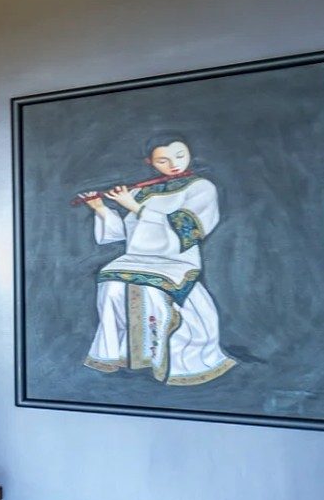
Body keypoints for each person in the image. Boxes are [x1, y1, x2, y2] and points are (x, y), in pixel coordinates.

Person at [81, 134, 235, 385]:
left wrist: (135, 207)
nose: (174, 164)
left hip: (177, 259)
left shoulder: (201, 187)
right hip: (136, 258)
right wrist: (101, 208)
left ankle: (161, 355)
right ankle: (122, 354)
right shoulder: (141, 191)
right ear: (150, 162)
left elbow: (187, 228)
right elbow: (123, 234)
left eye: (180, 156)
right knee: (111, 285)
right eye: (163, 160)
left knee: (153, 291)